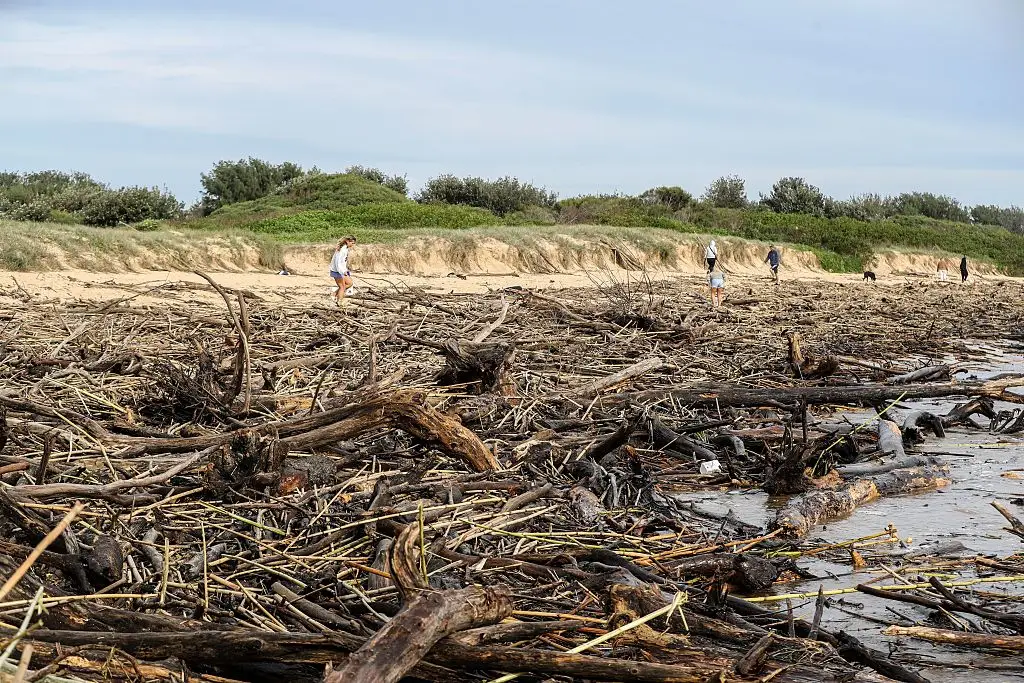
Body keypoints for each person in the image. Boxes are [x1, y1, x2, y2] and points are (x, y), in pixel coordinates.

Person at [329, 236, 356, 305]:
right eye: (352, 243)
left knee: (349, 283)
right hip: (337, 271)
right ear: (347, 241)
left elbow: (343, 262)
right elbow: (338, 262)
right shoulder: (342, 250)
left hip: (342, 270)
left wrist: (345, 270)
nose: (353, 245)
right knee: (342, 287)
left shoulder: (346, 248)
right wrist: (342, 271)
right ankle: (339, 301)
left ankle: (334, 293)